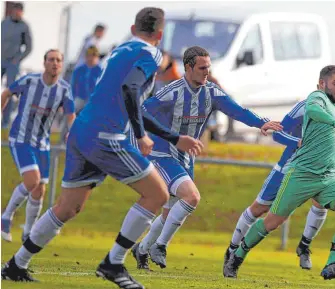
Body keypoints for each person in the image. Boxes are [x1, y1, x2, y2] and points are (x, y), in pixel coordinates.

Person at [1, 8, 202, 289]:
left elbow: (129, 99)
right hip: (106, 135)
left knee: (67, 207)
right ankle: (114, 263)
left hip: (81, 131)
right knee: (157, 194)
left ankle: (15, 264)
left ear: (133, 28)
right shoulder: (152, 54)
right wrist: (142, 136)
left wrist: (171, 137)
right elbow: (130, 90)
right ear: (159, 34)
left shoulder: (121, 49)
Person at [130, 46, 283, 270]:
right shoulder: (171, 93)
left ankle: (141, 250)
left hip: (185, 159)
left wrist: (262, 122)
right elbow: (140, 111)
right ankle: (160, 246)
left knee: (169, 212)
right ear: (188, 68)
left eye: (208, 68)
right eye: (202, 68)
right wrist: (137, 139)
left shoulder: (212, 92)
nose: (206, 72)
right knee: (191, 197)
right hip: (162, 155)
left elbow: (237, 111)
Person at [224, 65, 335, 281]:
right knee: (270, 221)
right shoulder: (315, 99)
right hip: (300, 173)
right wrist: (330, 125)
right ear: (322, 84)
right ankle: (236, 255)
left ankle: (331, 263)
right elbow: (310, 114)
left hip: (327, 176)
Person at [1, 49, 76, 243]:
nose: (55, 63)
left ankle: (28, 232)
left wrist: (72, 133)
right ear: (44, 63)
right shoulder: (29, 81)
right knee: (32, 180)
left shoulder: (64, 89)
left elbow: (70, 116)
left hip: (42, 144)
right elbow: (6, 93)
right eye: (51, 59)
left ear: (61, 64)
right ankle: (5, 218)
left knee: (39, 190)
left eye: (58, 60)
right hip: (21, 139)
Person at [1, 2, 33, 128]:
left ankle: (5, 121)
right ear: (12, 11)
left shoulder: (24, 27)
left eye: (20, 11)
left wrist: (18, 59)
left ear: (22, 12)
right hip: (0, 59)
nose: (17, 13)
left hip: (12, 63)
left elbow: (29, 47)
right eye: (16, 10)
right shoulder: (4, 23)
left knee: (10, 90)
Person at [70, 46, 102, 114]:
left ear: (97, 57)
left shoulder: (101, 70)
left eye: (94, 56)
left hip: (94, 100)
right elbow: (72, 86)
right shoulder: (79, 70)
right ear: (86, 57)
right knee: (71, 112)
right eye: (89, 56)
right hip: (80, 98)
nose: (91, 58)